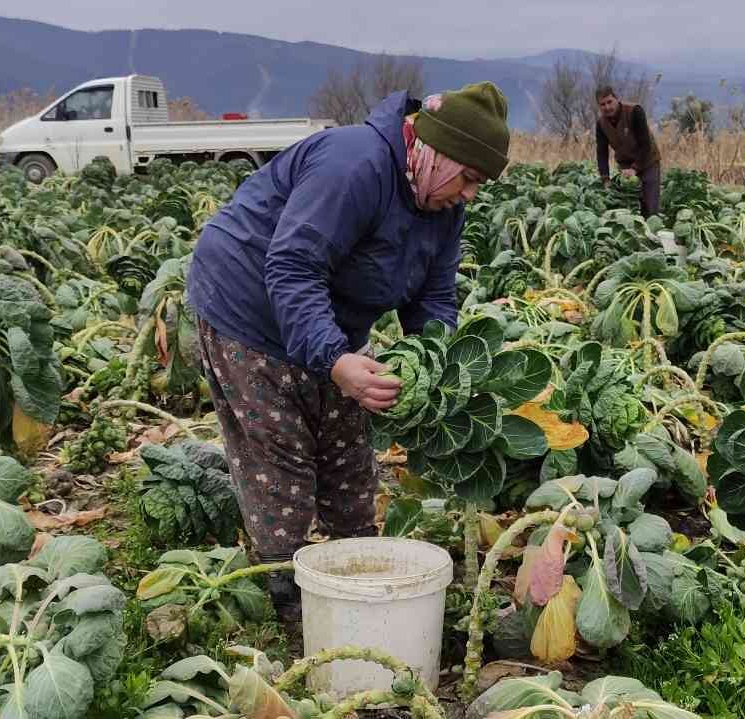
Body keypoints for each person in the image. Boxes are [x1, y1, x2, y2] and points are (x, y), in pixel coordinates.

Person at [187, 82, 511, 612]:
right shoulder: (355, 165)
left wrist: (440, 373)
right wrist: (335, 360)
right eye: (469, 177)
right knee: (280, 453)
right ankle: (289, 598)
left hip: (327, 320)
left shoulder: (442, 205)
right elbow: (293, 266)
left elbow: (434, 298)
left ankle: (355, 568)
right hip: (246, 305)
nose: (470, 194)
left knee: (349, 456)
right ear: (434, 148)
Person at [595, 86, 662, 218]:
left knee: (649, 206)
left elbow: (645, 144)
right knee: (627, 207)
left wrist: (635, 169)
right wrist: (605, 178)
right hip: (625, 165)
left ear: (616, 99)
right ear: (599, 106)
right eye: (603, 104)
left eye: (609, 102)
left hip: (647, 161)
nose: (607, 107)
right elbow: (602, 152)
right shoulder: (601, 124)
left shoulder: (634, 111)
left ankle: (652, 233)